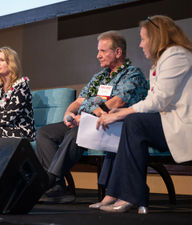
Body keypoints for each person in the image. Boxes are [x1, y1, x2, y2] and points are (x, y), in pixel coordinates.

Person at [35, 31, 149, 203]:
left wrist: (87, 118)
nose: (98, 55)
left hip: (110, 124)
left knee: (77, 133)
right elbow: (79, 101)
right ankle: (58, 186)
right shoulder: (99, 77)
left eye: (103, 51)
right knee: (44, 133)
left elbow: (117, 102)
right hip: (84, 121)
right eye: (98, 51)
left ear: (117, 52)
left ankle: (50, 180)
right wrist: (69, 114)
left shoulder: (132, 74)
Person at [94, 15, 192, 214]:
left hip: (182, 125)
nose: (140, 44)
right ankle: (115, 192)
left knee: (134, 122)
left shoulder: (176, 55)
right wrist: (121, 111)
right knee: (129, 122)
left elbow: (159, 101)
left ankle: (130, 196)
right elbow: (151, 100)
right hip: (167, 122)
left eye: (143, 38)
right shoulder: (160, 61)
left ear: (157, 37)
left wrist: (121, 114)